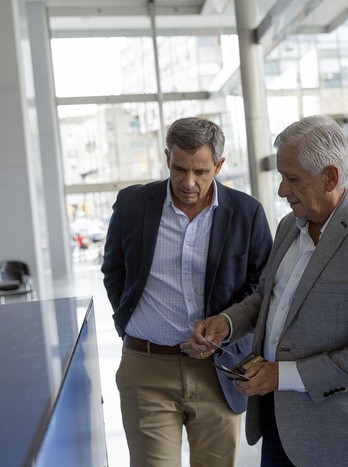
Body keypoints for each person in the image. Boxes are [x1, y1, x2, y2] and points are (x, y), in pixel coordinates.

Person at [181, 115, 348, 467]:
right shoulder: (289, 225)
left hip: (340, 436)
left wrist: (282, 374)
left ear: (330, 176)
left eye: (293, 179)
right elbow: (267, 298)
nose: (282, 190)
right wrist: (226, 323)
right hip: (277, 425)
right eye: (282, 177)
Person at [101, 116, 273, 467]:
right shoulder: (134, 205)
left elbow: (264, 287)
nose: (189, 183)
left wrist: (225, 325)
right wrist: (131, 323)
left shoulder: (246, 213)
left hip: (219, 371)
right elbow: (114, 270)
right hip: (146, 368)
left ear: (219, 165)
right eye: (180, 169)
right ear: (167, 158)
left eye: (201, 172)